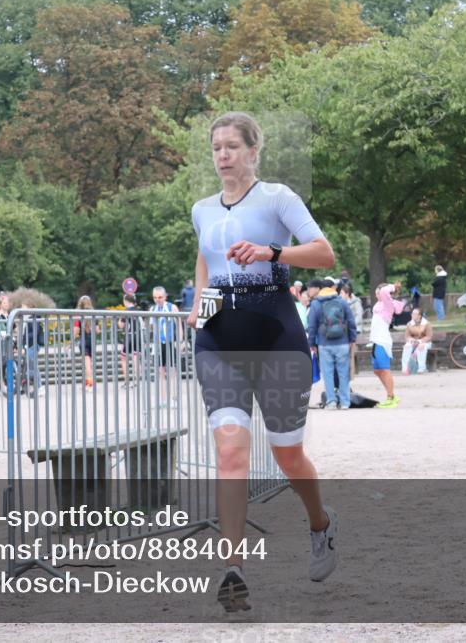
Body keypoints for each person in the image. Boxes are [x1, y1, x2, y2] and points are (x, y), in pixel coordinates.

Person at [187, 111, 338, 612]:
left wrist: (272, 252)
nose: (223, 156)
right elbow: (207, 259)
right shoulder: (202, 209)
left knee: (286, 455)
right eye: (216, 148)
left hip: (275, 337)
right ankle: (233, 569)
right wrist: (200, 305)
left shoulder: (278, 198)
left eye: (232, 146)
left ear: (253, 151)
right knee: (231, 452)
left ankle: (320, 523)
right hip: (218, 341)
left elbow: (323, 254)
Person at [307, 278, 357, 409]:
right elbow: (351, 321)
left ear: (320, 289)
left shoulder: (316, 304)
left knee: (328, 374)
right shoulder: (342, 301)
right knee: (343, 373)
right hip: (342, 342)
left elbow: (311, 326)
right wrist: (352, 339)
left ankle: (331, 402)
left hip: (324, 344)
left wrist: (312, 343)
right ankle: (345, 402)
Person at [369, 283, 403, 407]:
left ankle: (390, 397)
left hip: (382, 341)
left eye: (379, 292)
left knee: (385, 370)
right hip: (375, 341)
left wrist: (392, 286)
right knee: (377, 370)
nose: (377, 294)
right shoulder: (379, 304)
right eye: (376, 293)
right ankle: (392, 395)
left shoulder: (388, 304)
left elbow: (384, 292)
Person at [149, 287, 179, 402]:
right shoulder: (152, 309)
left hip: (170, 342)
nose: (157, 300)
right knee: (160, 371)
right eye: (155, 297)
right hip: (158, 343)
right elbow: (151, 327)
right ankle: (164, 398)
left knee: (172, 371)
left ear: (165, 297)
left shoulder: (172, 307)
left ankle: (174, 396)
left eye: (160, 297)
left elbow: (179, 326)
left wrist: (180, 341)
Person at [19, 301, 45, 397]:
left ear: (29, 308)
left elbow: (35, 332)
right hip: (30, 344)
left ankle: (39, 387)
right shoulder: (28, 318)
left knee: (32, 366)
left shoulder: (33, 318)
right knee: (32, 366)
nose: (21, 309)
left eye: (23, 307)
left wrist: (25, 336)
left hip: (33, 344)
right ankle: (33, 386)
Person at [74, 295, 99, 390]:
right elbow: (97, 331)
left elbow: (76, 331)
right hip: (92, 340)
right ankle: (87, 383)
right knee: (90, 364)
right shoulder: (94, 314)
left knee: (87, 365)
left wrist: (70, 342)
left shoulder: (79, 315)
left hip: (83, 340)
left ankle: (90, 384)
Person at [401, 307, 433, 375]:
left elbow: (429, 336)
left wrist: (420, 341)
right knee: (407, 346)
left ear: (419, 316)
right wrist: (411, 340)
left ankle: (421, 368)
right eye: (412, 313)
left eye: (415, 314)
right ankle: (405, 368)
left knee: (421, 347)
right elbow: (407, 336)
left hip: (425, 342)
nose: (412, 315)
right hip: (413, 342)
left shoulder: (426, 323)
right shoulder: (409, 324)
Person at [118, 294, 141, 383]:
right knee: (136, 357)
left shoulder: (126, 311)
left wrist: (119, 319)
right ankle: (138, 379)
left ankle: (126, 380)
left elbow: (121, 325)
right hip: (138, 335)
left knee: (123, 357)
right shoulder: (138, 310)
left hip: (129, 335)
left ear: (126, 301)